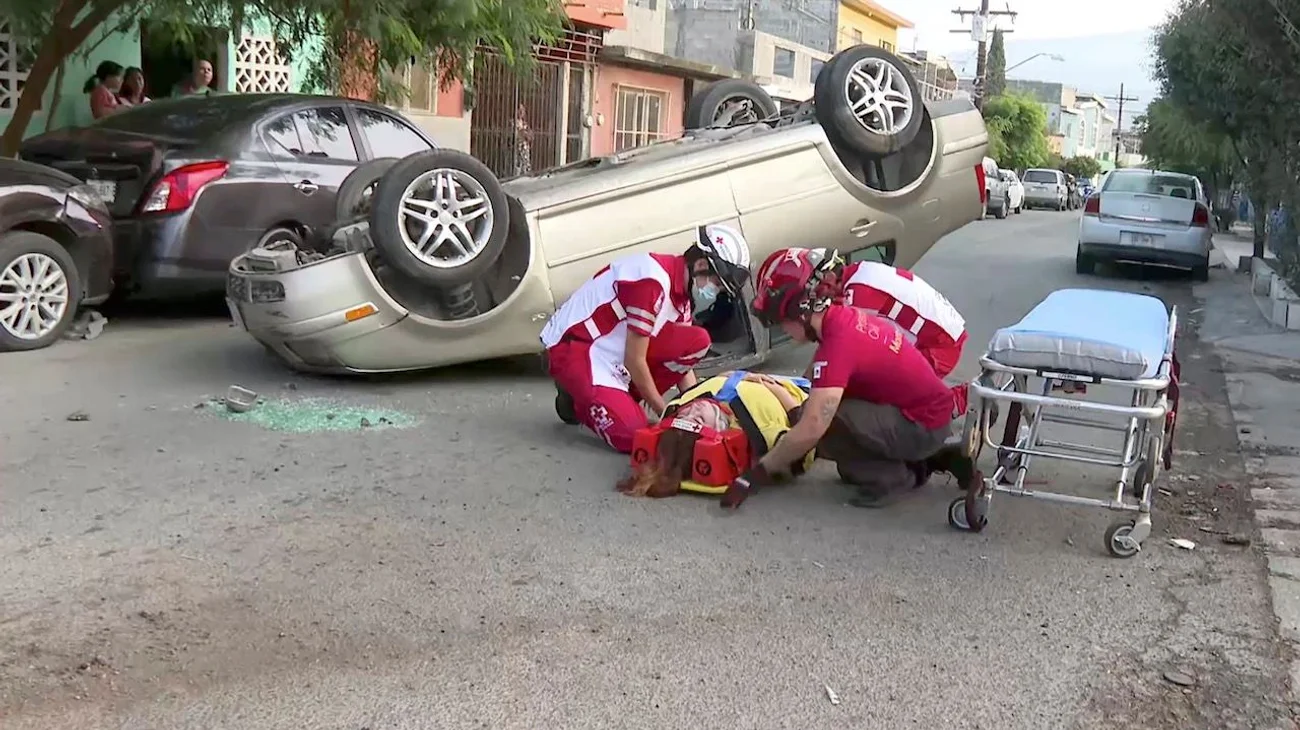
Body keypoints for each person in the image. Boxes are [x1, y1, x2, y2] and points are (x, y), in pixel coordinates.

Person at [720, 248, 979, 510]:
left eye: (779, 321)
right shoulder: (843, 319)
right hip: (927, 417)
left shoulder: (839, 344)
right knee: (830, 433)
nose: (782, 328)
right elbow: (819, 385)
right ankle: (936, 457)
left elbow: (812, 427)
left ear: (800, 310)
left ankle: (895, 478)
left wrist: (754, 476)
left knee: (822, 426)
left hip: (923, 425)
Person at [541, 224, 752, 454]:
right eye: (717, 284)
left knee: (697, 341)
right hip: (578, 348)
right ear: (701, 265)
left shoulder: (682, 296)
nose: (715, 292)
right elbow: (635, 360)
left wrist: (698, 405)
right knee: (637, 436)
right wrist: (669, 415)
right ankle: (577, 402)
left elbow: (682, 365)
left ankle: (619, 400)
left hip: (618, 350)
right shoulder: (651, 282)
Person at [786, 248, 971, 414]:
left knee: (877, 397)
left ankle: (958, 402)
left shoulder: (856, 297)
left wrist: (811, 390)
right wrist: (806, 383)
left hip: (939, 344)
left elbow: (837, 350)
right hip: (943, 331)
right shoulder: (857, 272)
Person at [617, 371, 814, 498]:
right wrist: (777, 390)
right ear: (717, 433)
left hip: (748, 377)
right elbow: (805, 434)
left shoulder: (676, 406)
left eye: (686, 415)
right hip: (798, 390)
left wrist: (741, 375)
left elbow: (719, 378)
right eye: (698, 420)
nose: (694, 409)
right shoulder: (759, 430)